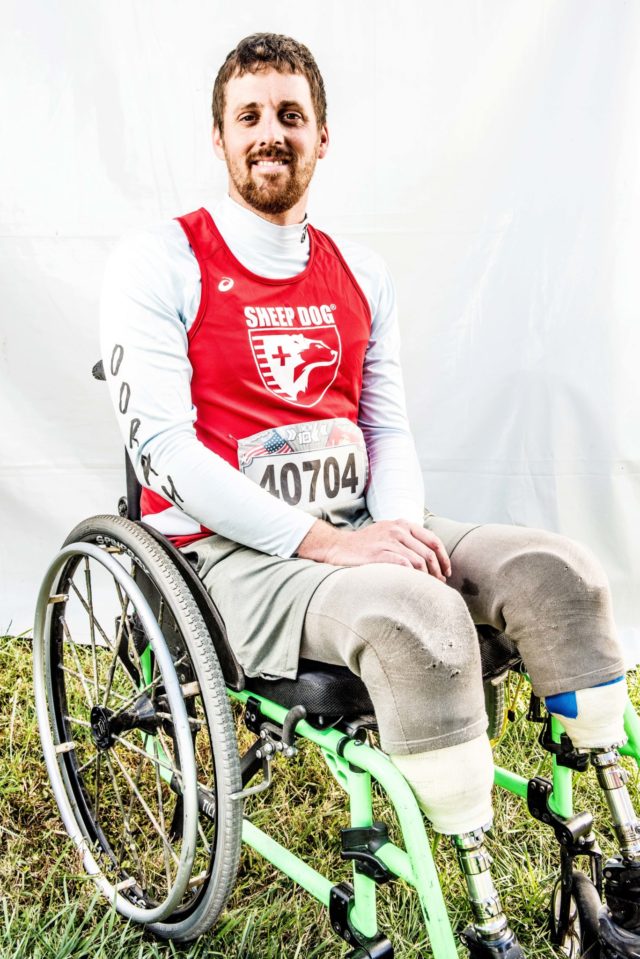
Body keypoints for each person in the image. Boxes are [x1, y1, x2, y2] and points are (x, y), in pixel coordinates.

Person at [100, 32, 639, 957]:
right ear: (220, 138)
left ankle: (621, 854)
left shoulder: (360, 273)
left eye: (291, 116)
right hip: (233, 554)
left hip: (361, 524)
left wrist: (388, 524)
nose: (271, 133)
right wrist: (333, 545)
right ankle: (485, 918)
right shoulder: (164, 262)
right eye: (250, 116)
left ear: (322, 137)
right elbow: (166, 457)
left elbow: (386, 426)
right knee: (421, 627)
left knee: (563, 578)